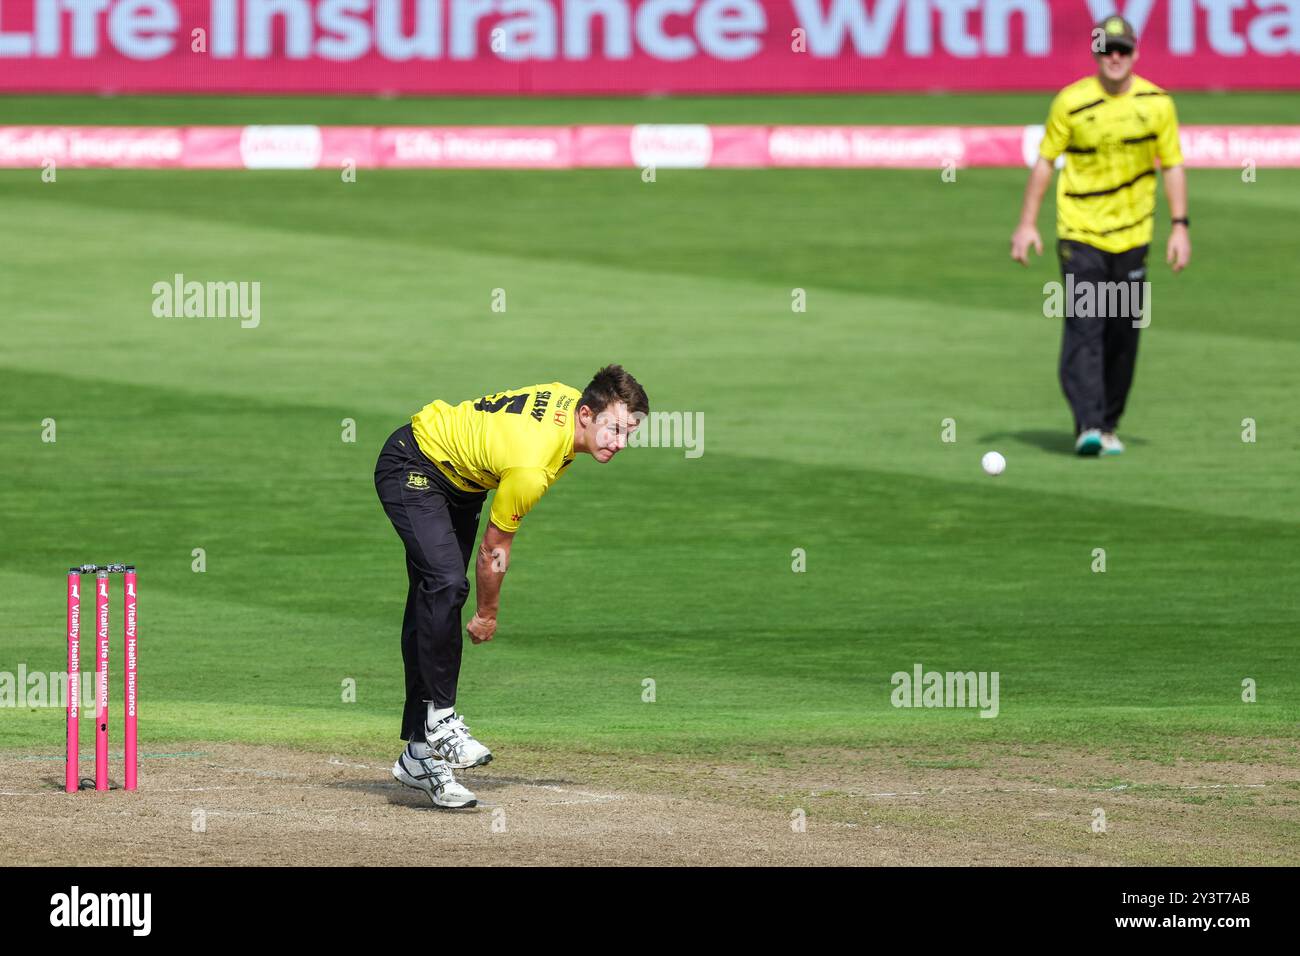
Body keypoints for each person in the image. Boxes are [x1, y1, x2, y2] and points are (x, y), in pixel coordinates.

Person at [374, 365, 648, 807]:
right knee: (445, 584)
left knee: (431, 598)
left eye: (629, 432)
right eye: (613, 429)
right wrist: (487, 614)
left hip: (463, 486)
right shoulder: (532, 466)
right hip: (414, 464)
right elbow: (493, 552)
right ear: (584, 414)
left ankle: (419, 755)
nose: (620, 443)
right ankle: (441, 720)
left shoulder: (565, 401)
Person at [1011, 14, 1190, 456]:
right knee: (1086, 327)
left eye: (1122, 49)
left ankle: (1108, 424)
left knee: (1124, 332)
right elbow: (1044, 163)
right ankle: (1088, 425)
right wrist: (1026, 223)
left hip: (1133, 235)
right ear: (1096, 53)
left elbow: (1172, 165)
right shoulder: (1070, 103)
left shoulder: (1157, 103)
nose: (1114, 57)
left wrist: (1180, 227)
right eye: (1106, 49)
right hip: (1082, 233)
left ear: (1135, 53)